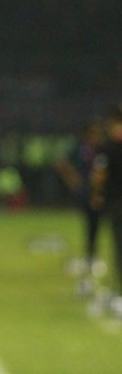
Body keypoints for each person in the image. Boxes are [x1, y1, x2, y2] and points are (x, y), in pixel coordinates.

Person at [55, 120, 105, 294]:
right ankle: (90, 256)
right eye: (93, 133)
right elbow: (61, 162)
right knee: (91, 224)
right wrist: (73, 179)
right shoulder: (79, 149)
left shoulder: (101, 149)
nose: (96, 137)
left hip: (101, 193)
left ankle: (92, 256)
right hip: (88, 194)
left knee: (97, 225)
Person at [91, 108, 122, 317]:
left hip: (116, 203)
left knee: (119, 246)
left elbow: (99, 174)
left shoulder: (106, 148)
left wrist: (97, 194)